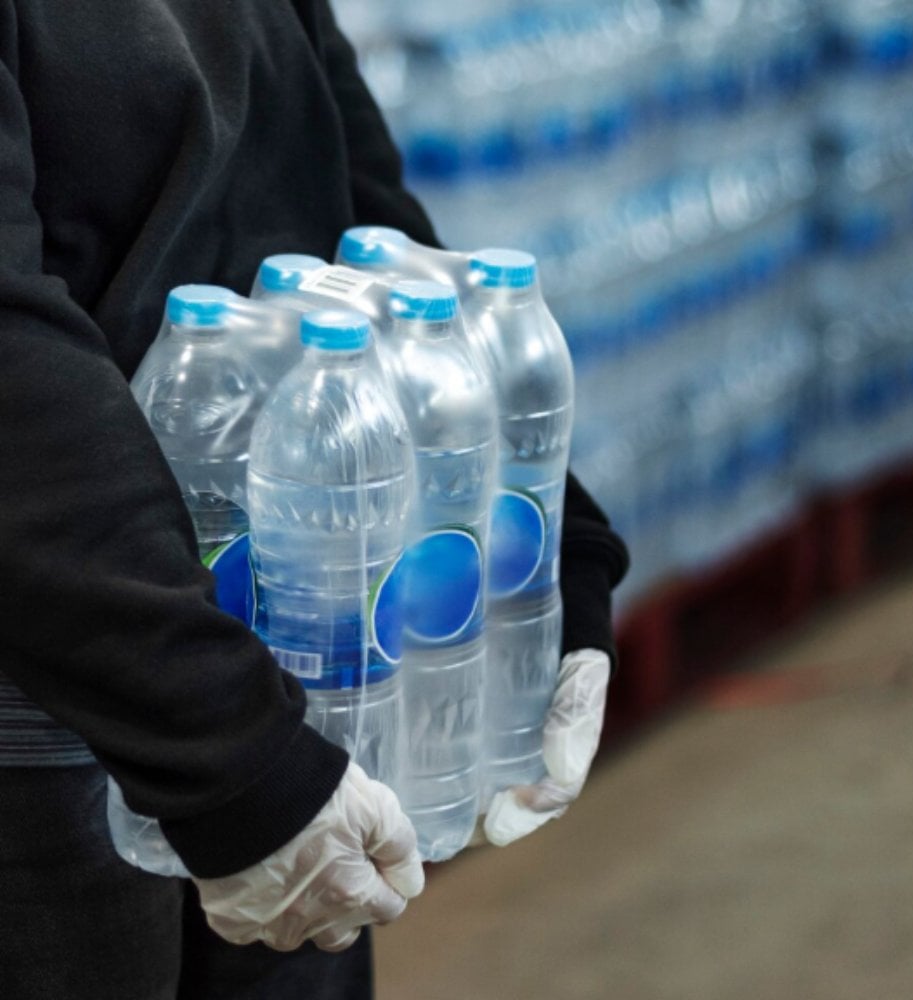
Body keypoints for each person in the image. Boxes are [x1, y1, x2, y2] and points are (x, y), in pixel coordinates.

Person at [0, 2, 630, 998]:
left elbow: (349, 208)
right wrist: (229, 754)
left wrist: (546, 528)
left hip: (276, 690)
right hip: (56, 737)